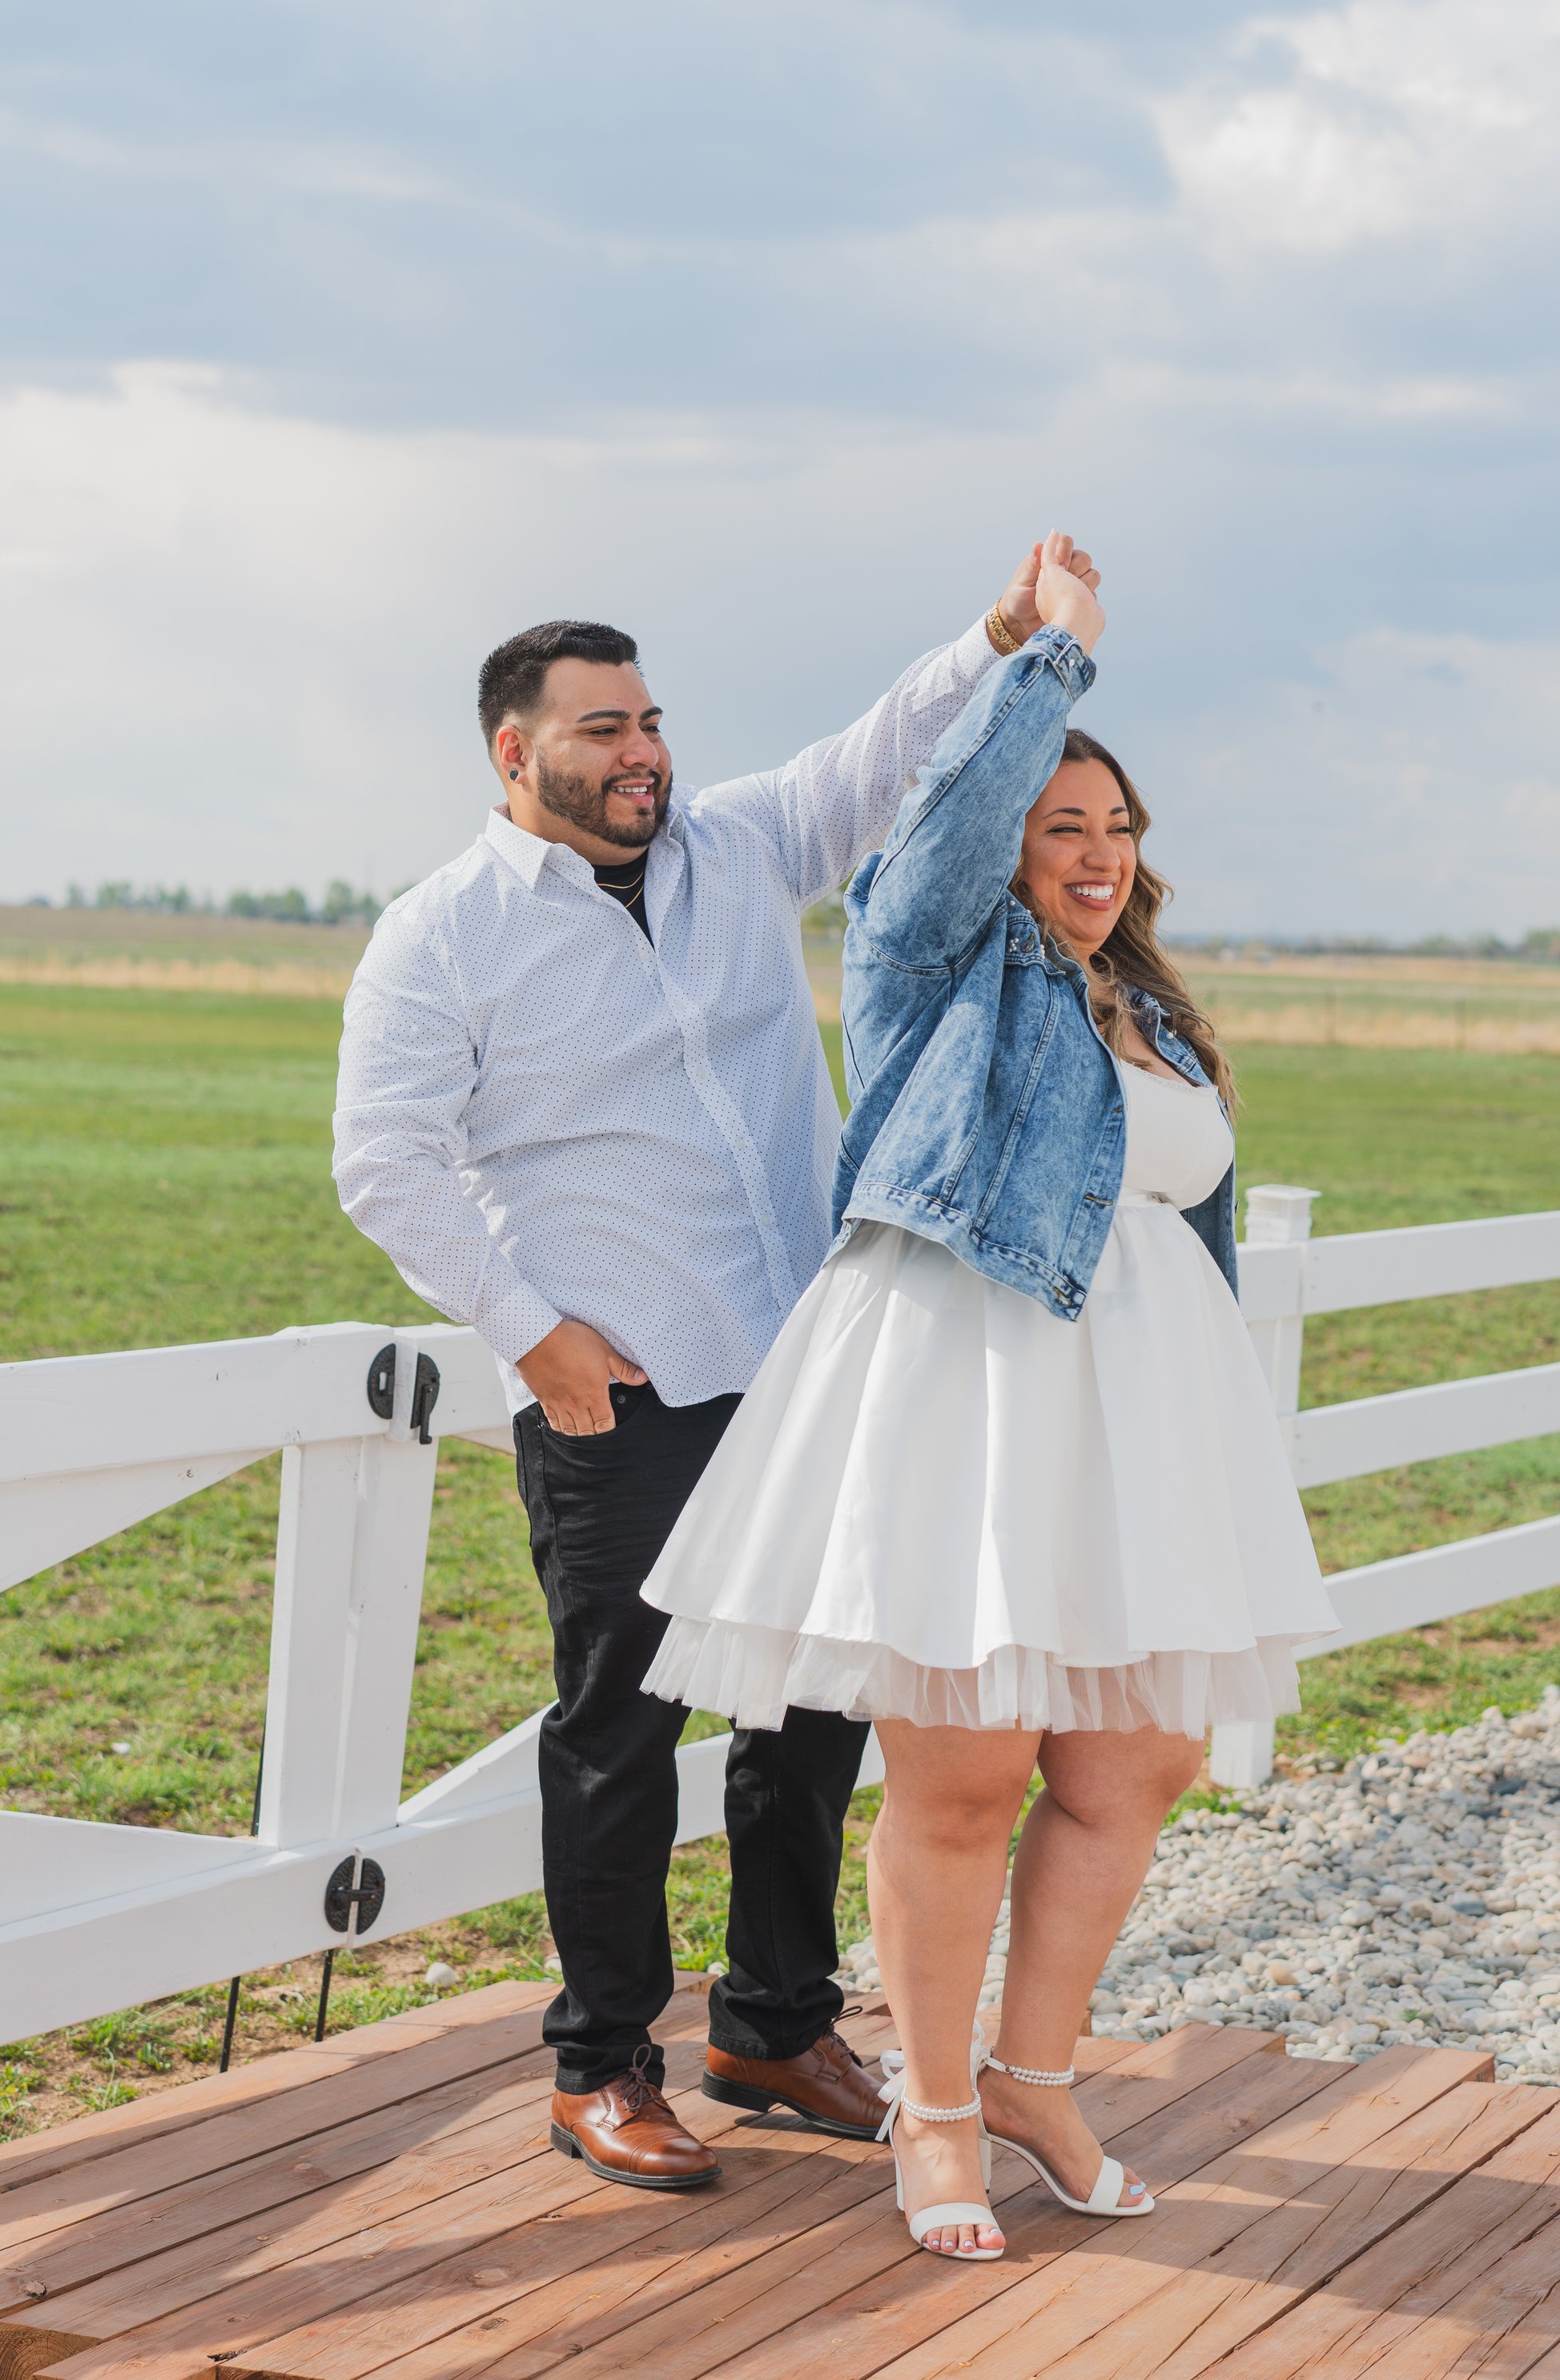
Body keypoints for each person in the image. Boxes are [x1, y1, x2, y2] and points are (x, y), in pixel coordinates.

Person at [332, 546, 1092, 2192]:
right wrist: (532, 1331)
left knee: (817, 1705)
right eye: (601, 728)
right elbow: (383, 1159)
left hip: (802, 1363)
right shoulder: (441, 935)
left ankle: (767, 2020)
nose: (642, 754)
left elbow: (879, 752)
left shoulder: (735, 847)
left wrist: (1001, 632)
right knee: (620, 1727)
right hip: (624, 1384)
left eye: (652, 720)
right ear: (512, 751)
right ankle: (600, 2062)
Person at [643, 534, 1341, 2257]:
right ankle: (935, 2111)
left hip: (1134, 1420)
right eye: (1062, 825)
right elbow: (948, 820)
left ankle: (1031, 2073)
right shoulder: (931, 954)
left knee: (1137, 1758)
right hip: (971, 1391)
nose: (1096, 859)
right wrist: (1047, 660)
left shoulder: (1145, 1010)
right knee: (960, 1778)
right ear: (1001, 838)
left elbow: (1189, 1215)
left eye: (1118, 834)